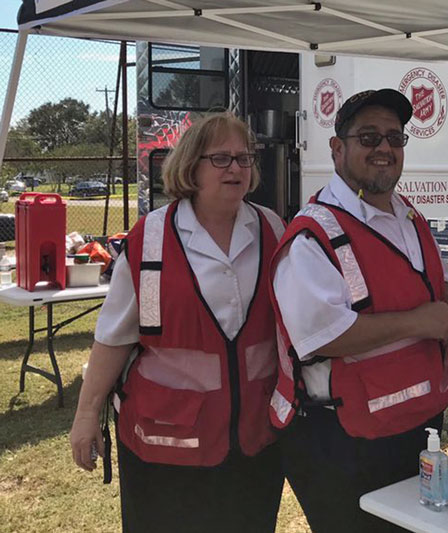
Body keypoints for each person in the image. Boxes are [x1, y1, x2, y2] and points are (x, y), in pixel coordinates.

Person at [269, 88, 448, 533]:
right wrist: (421, 321)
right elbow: (321, 335)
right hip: (342, 440)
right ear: (337, 149)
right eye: (368, 137)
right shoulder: (311, 235)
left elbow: (437, 277)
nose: (384, 148)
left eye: (395, 137)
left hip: (410, 425)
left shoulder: (408, 215)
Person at [69, 113, 286, 533]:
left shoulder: (273, 228)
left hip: (251, 442)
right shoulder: (150, 238)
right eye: (221, 158)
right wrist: (85, 414)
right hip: (164, 446)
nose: (237, 168)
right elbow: (113, 337)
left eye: (245, 158)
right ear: (191, 166)